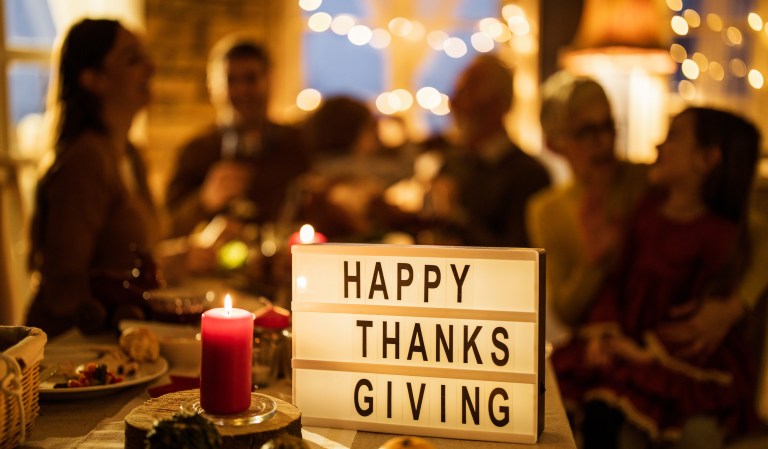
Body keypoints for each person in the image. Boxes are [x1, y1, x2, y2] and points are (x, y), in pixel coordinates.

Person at [553, 106, 761, 448]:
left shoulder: (720, 236)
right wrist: (604, 332)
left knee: (615, 418)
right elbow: (619, 280)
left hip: (674, 361)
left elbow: (696, 326)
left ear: (707, 159)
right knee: (579, 401)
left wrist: (645, 352)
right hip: (628, 343)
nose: (657, 146)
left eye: (673, 136)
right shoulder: (647, 210)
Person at [25, 19, 159, 338]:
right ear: (94, 79)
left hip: (114, 338)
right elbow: (63, 287)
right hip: (69, 351)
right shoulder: (85, 160)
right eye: (132, 59)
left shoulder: (129, 154)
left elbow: (125, 263)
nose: (151, 67)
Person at [164, 35, 309, 243]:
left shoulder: (297, 144)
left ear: (269, 81)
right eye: (231, 80)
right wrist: (204, 200)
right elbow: (167, 229)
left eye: (251, 79)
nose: (242, 90)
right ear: (212, 87)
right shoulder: (196, 151)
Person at [428, 54, 551, 247]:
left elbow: (518, 259)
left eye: (464, 93)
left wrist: (455, 218)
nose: (453, 104)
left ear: (495, 105)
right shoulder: (453, 164)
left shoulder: (528, 175)